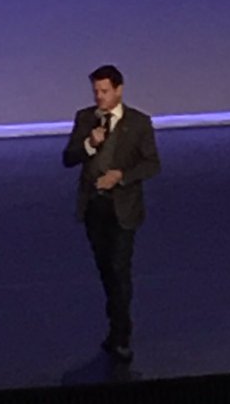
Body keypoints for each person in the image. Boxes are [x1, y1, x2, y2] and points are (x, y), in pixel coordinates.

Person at [63, 65, 160, 363]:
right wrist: (89, 145)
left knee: (119, 269)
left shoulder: (139, 123)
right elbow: (68, 158)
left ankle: (121, 335)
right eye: (96, 91)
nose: (100, 97)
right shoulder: (85, 118)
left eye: (105, 91)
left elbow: (152, 164)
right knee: (106, 270)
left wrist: (121, 176)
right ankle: (115, 326)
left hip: (123, 209)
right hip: (94, 207)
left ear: (119, 89)